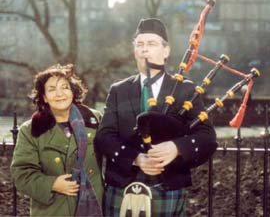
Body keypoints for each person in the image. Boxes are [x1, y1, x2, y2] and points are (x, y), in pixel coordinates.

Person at [95, 18, 217, 217]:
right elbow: (104, 136)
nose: (144, 49)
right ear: (135, 51)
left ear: (166, 51)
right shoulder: (119, 90)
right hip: (123, 184)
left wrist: (176, 147)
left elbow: (207, 137)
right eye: (140, 44)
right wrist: (135, 158)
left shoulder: (186, 90)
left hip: (167, 186)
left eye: (151, 44)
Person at [10, 64, 103, 217]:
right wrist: (52, 184)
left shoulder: (94, 120)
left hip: (95, 206)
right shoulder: (31, 129)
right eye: (52, 89)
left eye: (65, 87)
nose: (59, 94)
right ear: (44, 97)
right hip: (52, 210)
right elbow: (21, 174)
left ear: (72, 92)